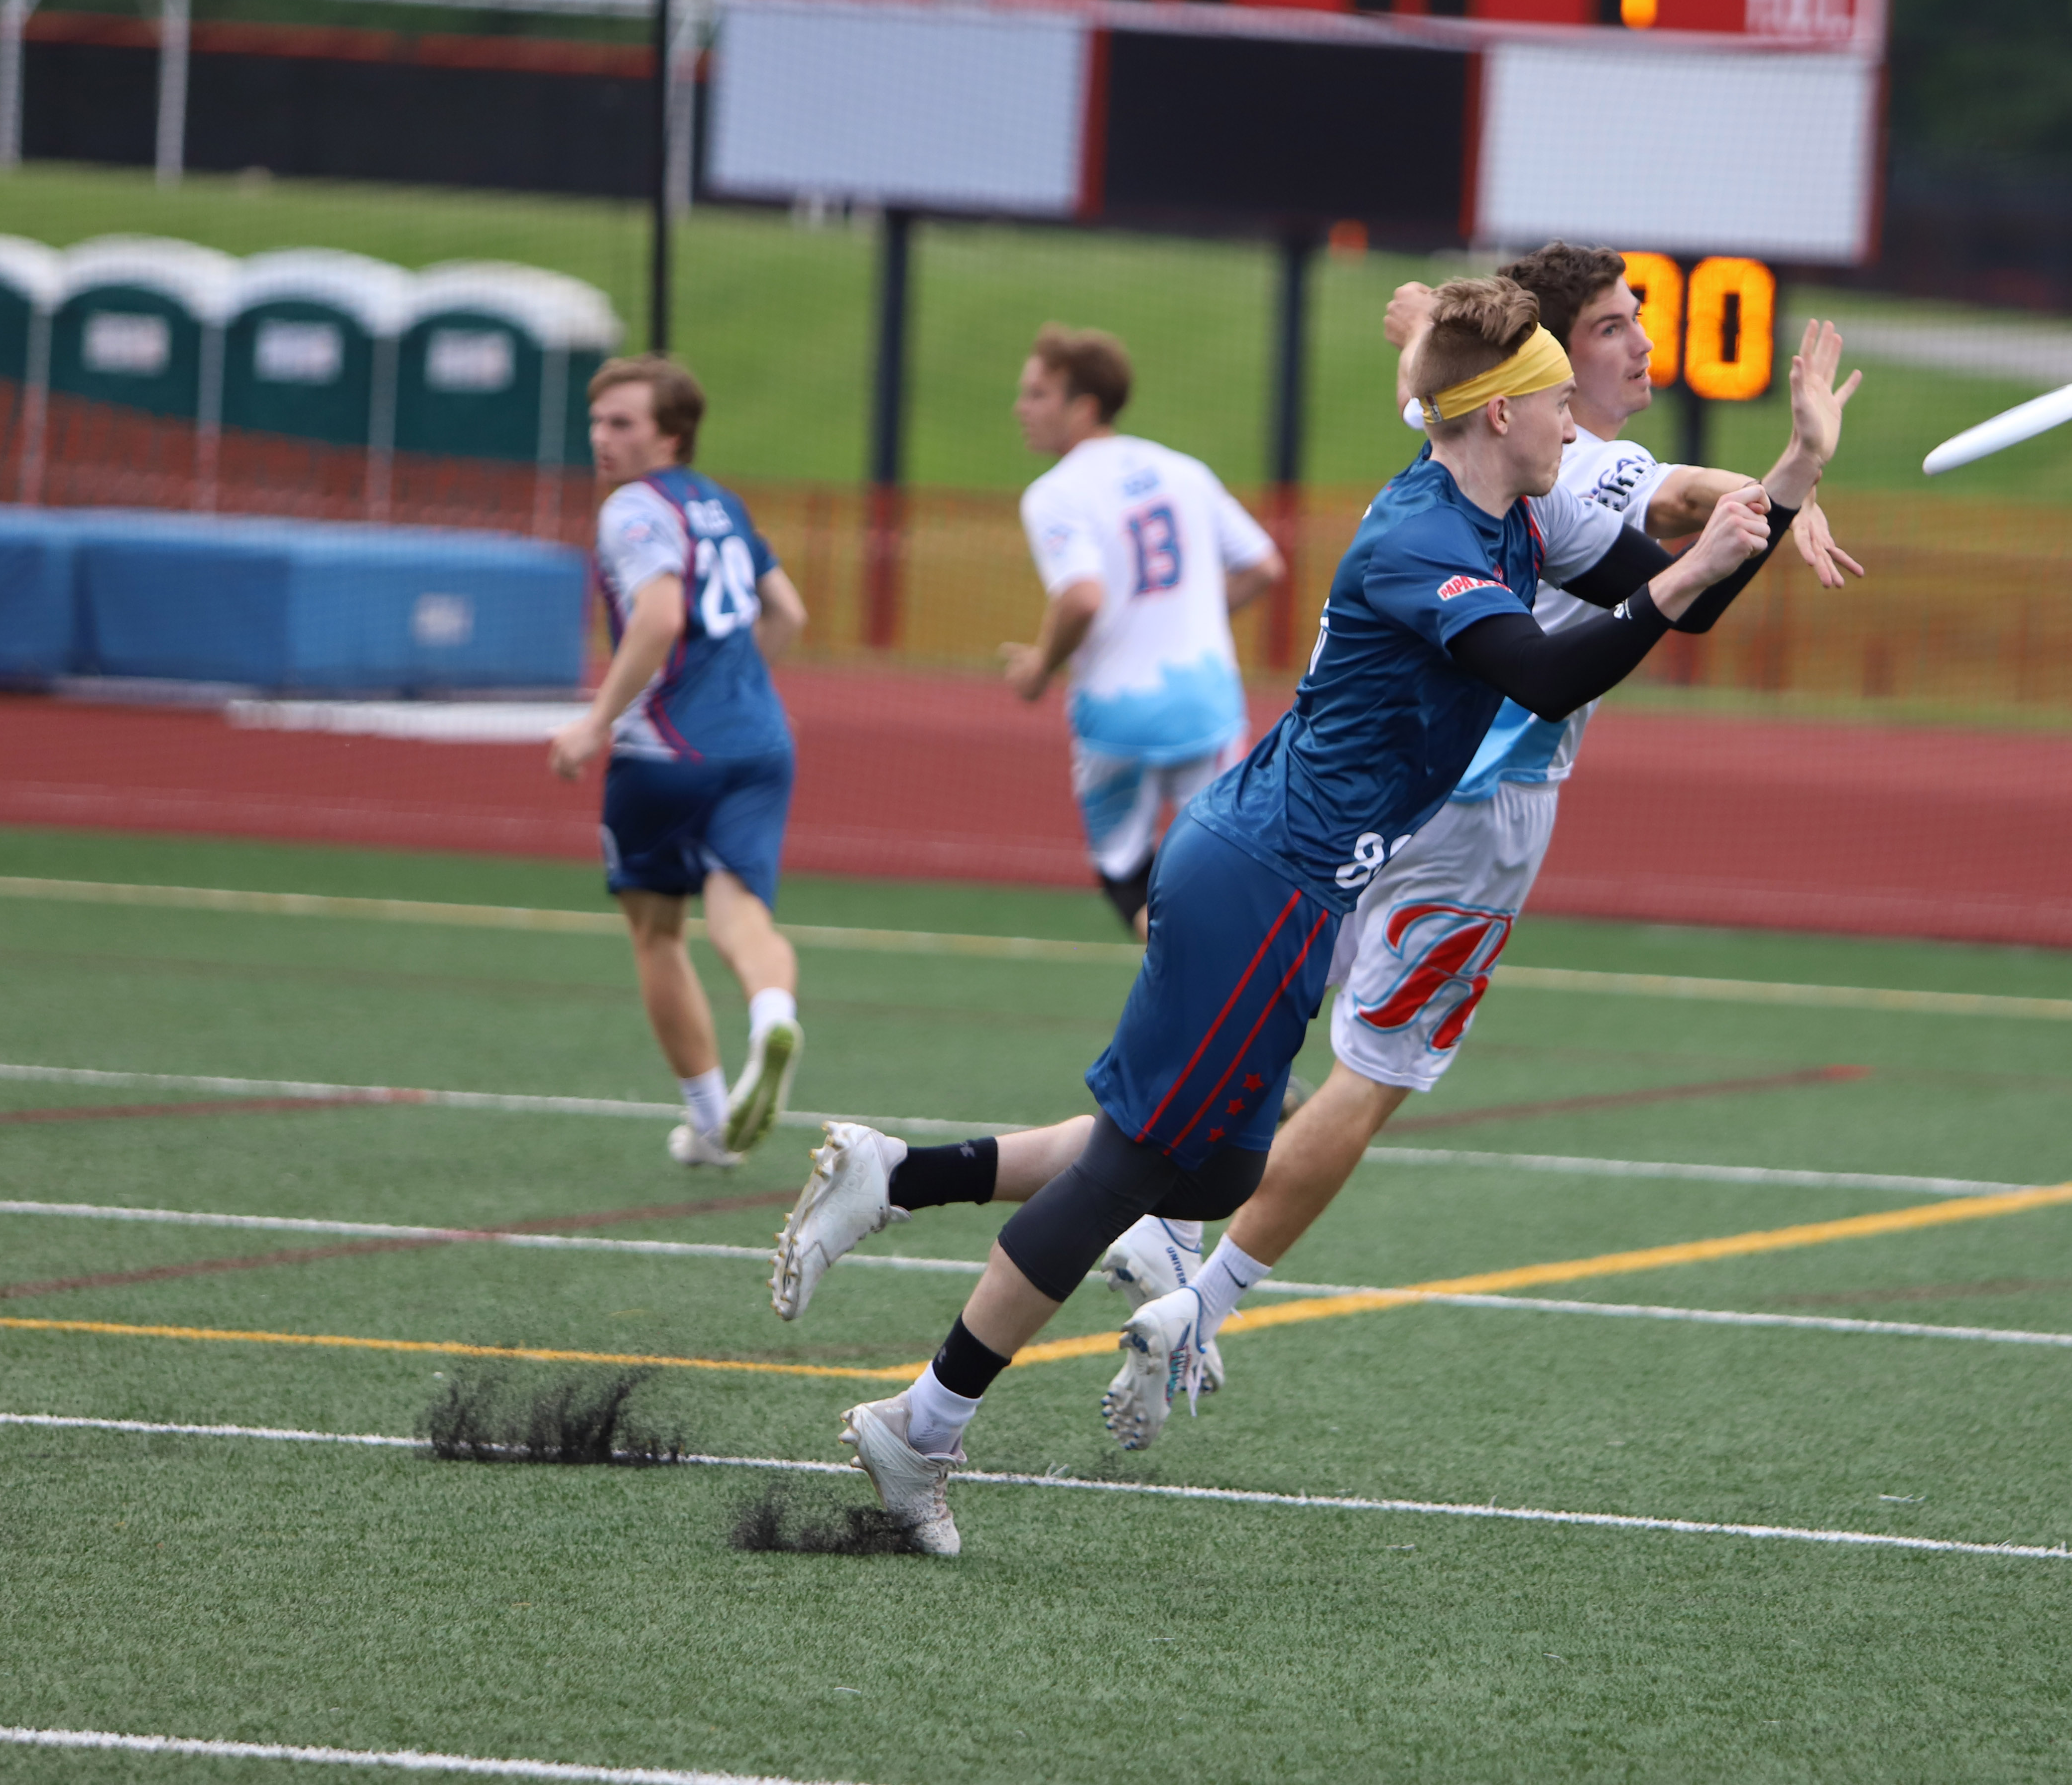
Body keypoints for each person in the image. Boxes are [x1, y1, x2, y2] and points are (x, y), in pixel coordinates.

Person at [765, 275, 1791, 1553]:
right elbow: (1546, 666)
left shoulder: (1504, 514)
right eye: (1545, 403)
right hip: (1263, 877)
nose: (1565, 428)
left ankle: (901, 1177)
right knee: (1138, 1168)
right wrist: (1685, 564)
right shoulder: (1427, 541)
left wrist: (1784, 486)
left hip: (1282, 877)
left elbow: (1675, 593)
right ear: (1490, 417)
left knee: (1214, 1164)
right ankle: (920, 1427)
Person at [1089, 246, 1861, 1437]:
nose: (1638, 343)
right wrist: (1786, 474)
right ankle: (1206, 1295)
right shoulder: (1577, 466)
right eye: (1609, 328)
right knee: (1379, 1070)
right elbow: (1674, 529)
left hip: (1358, 781)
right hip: (1480, 799)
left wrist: (1780, 489)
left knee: (1269, 1010)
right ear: (1537, 369)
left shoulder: (1465, 427)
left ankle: (1151, 1218)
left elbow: (1425, 345)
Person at [546, 355, 811, 1169]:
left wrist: (596, 723)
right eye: (598, 421)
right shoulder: (720, 504)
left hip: (664, 751)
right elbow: (789, 613)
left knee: (658, 933)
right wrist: (733, 687)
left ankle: (707, 1123)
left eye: (623, 423)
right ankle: (772, 1016)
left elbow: (657, 616)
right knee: (742, 919)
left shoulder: (633, 509)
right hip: (761, 742)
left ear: (670, 433)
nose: (603, 437)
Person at [1002, 325, 1286, 937]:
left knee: (1128, 872)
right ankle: (1232, 984)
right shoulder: (1182, 469)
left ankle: (1187, 974)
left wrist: (1038, 668)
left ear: (1084, 407)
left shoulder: (1055, 493)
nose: (1021, 408)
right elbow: (1265, 565)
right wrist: (1201, 614)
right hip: (1208, 705)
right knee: (1226, 864)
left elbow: (1081, 597)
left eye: (1037, 394)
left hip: (1118, 718)